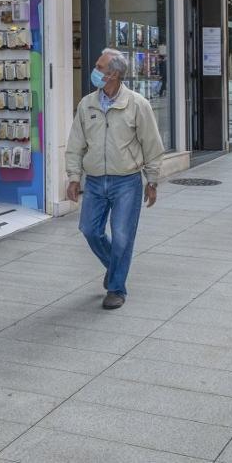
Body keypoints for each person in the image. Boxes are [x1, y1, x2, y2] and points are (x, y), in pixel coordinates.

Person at [66, 48, 163, 310]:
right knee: (89, 230)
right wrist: (74, 177)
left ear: (113, 74)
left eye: (100, 67)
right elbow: (75, 144)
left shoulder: (137, 104)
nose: (94, 70)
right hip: (95, 181)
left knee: (121, 236)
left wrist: (152, 181)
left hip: (126, 182)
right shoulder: (86, 104)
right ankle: (115, 267)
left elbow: (152, 145)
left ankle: (116, 288)